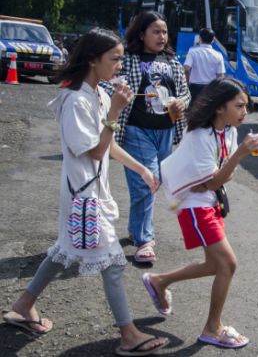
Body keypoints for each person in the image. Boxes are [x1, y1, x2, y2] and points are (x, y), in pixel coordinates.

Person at [2, 29, 169, 356]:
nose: (120, 66)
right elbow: (94, 151)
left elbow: (109, 148)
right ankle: (129, 334)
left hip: (90, 192)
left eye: (121, 58)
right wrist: (113, 114)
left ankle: (23, 306)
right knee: (113, 263)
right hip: (82, 195)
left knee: (62, 250)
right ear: (93, 59)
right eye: (115, 59)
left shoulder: (98, 93)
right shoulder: (76, 98)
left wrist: (143, 169)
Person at [143, 77, 258, 349]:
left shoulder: (228, 132)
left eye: (246, 106)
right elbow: (216, 180)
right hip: (194, 206)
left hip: (208, 201)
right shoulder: (199, 136)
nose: (245, 111)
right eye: (239, 106)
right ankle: (212, 328)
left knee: (214, 265)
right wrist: (239, 156)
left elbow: (220, 178)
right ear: (220, 108)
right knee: (228, 264)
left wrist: (222, 172)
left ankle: (159, 281)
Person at [106, 11, 190, 264]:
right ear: (141, 34)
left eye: (164, 31)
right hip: (136, 130)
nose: (162, 36)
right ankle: (145, 241)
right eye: (156, 31)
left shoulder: (173, 62)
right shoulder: (129, 59)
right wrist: (119, 91)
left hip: (166, 132)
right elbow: (111, 83)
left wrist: (181, 103)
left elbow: (185, 94)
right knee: (147, 182)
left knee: (151, 183)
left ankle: (135, 230)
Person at [184, 27, 226, 102]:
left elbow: (186, 69)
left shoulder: (192, 52)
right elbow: (221, 76)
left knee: (193, 110)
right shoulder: (218, 55)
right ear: (213, 39)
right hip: (210, 88)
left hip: (194, 88)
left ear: (199, 38)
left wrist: (187, 83)